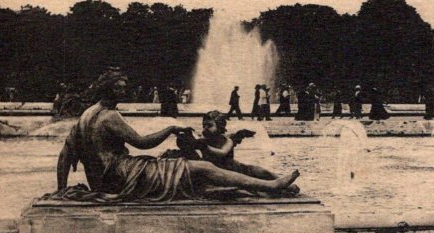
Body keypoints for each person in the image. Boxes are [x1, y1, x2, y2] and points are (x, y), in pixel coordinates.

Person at [51, 69, 299, 203]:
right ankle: (271, 185)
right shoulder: (110, 117)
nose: (123, 92)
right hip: (123, 177)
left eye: (124, 88)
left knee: (186, 167)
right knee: (199, 168)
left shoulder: (86, 115)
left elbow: (65, 156)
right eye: (119, 88)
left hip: (107, 180)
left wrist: (61, 190)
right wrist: (170, 129)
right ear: (107, 89)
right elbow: (142, 143)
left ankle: (243, 187)